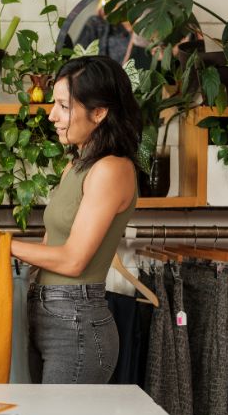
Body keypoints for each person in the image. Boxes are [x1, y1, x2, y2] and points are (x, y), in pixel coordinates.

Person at [9, 55, 142, 384]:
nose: (52, 115)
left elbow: (72, 260)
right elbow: (49, 244)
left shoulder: (112, 169)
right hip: (44, 316)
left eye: (64, 106)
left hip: (76, 326)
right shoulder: (75, 166)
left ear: (99, 112)